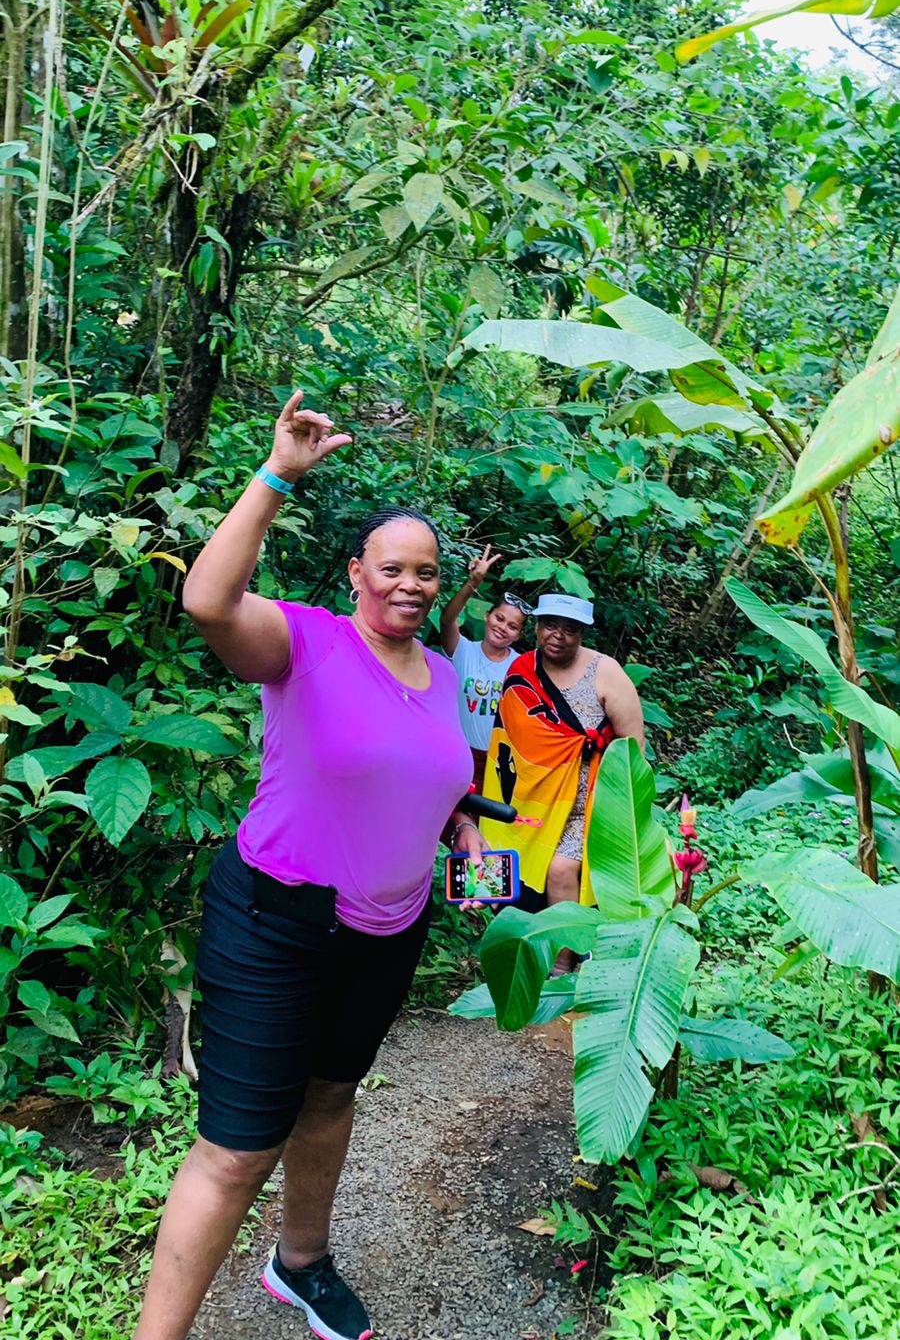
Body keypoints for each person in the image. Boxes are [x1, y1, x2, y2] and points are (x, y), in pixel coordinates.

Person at [133, 391, 488, 1340]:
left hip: (388, 928)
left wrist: (462, 831)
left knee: (331, 1099)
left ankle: (301, 1265)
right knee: (236, 1150)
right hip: (274, 924)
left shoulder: (446, 676)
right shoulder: (308, 641)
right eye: (393, 569)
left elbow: (428, 775)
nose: (412, 585)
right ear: (357, 574)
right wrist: (277, 476)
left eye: (427, 572)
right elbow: (206, 600)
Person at [482, 592, 644, 968]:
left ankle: (564, 961)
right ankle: (519, 953)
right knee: (516, 866)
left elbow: (633, 745)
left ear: (582, 633)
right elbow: (507, 738)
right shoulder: (522, 669)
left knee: (559, 870)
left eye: (569, 629)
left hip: (587, 804)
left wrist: (621, 801)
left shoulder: (606, 672)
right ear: (537, 627)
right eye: (550, 625)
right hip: (530, 798)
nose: (558, 635)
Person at [439, 544, 530, 790]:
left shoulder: (521, 666)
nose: (503, 627)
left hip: (498, 762)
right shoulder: (463, 651)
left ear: (519, 635)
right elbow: (447, 620)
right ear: (487, 615)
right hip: (456, 755)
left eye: (512, 626)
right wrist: (473, 583)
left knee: (483, 825)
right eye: (499, 618)